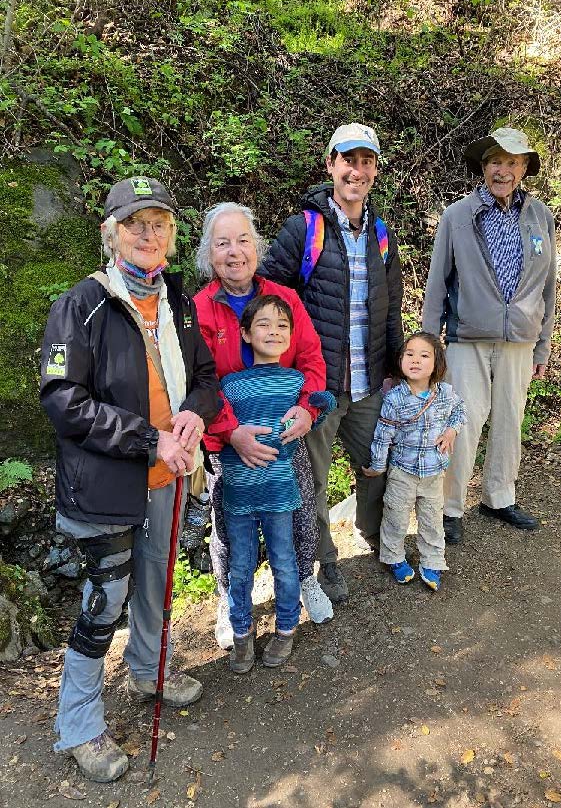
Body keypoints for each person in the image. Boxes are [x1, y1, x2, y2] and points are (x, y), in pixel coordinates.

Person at [40, 177, 220, 783]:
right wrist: (151, 439)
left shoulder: (178, 299)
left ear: (172, 235)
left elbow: (205, 376)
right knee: (103, 602)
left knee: (155, 583)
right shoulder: (80, 304)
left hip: (167, 475)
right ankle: (79, 724)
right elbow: (64, 400)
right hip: (106, 485)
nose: (149, 233)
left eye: (160, 224)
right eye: (135, 223)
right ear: (110, 233)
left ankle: (150, 670)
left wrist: (195, 411)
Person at [259, 123, 404, 604]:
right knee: (316, 481)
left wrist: (397, 370)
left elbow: (392, 306)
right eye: (348, 160)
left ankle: (373, 533)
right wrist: (276, 361)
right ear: (330, 165)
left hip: (370, 383)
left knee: (377, 463)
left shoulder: (382, 233)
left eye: (366, 162)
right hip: (318, 386)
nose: (356, 171)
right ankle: (326, 563)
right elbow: (269, 292)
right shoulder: (306, 228)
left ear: (375, 171)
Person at [193, 202, 334, 647]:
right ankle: (229, 599)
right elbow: (200, 382)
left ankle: (304, 581)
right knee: (228, 525)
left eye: (243, 240)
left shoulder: (283, 297)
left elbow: (311, 357)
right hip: (227, 442)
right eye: (222, 243)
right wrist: (230, 432)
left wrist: (309, 410)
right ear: (208, 255)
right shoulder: (198, 309)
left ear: (257, 246)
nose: (235, 252)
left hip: (284, 436)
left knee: (300, 513)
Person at [422, 127, 557, 543]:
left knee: (510, 421)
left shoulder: (540, 217)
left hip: (520, 339)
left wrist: (543, 343)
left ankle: (499, 496)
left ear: (524, 170)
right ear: (483, 168)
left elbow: (549, 284)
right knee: (463, 420)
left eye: (513, 163)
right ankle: (451, 506)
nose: (504, 170)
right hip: (467, 339)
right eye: (496, 161)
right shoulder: (457, 216)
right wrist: (429, 348)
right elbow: (437, 284)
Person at [220, 295, 334, 673]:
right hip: (237, 491)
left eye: (282, 325)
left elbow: (315, 411)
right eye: (264, 324)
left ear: (292, 334)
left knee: (285, 564)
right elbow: (216, 424)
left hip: (280, 492)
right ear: (245, 334)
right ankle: (241, 633)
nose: (274, 331)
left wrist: (321, 404)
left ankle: (286, 628)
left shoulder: (297, 383)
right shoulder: (229, 386)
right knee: (240, 566)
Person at [362, 333, 466, 589]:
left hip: (434, 473)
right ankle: (394, 558)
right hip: (402, 472)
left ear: (437, 363)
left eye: (424, 355)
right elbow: (383, 434)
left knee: (432, 520)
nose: (415, 360)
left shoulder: (446, 393)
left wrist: (452, 431)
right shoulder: (394, 398)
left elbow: (461, 411)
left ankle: (432, 561)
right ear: (401, 360)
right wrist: (377, 465)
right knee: (395, 518)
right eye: (409, 354)